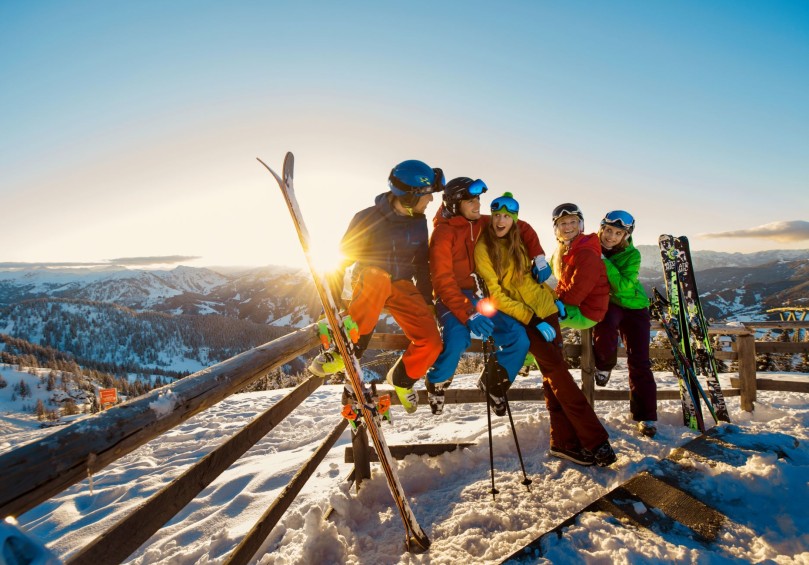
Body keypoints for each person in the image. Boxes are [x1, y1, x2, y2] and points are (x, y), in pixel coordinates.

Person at [475, 192, 617, 467]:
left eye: (508, 216)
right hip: (528, 318)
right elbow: (496, 295)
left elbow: (531, 249)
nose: (502, 221)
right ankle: (596, 440)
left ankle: (563, 443)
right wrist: (531, 320)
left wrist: (554, 299)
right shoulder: (484, 247)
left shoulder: (520, 235)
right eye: (497, 216)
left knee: (554, 379)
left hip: (547, 310)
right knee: (558, 374)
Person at [309, 159, 444, 414]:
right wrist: (332, 307)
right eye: (427, 195)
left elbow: (421, 264)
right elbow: (338, 263)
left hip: (402, 285)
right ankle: (346, 349)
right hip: (370, 280)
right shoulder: (366, 219)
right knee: (378, 277)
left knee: (432, 341)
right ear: (409, 195)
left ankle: (403, 379)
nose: (430, 201)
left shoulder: (418, 220)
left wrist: (427, 300)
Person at [425, 178, 551, 415]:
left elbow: (520, 226)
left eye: (478, 200)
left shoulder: (480, 222)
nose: (477, 205)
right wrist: (469, 314)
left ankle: (494, 382)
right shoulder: (443, 234)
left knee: (518, 337)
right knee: (457, 339)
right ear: (454, 204)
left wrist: (539, 256)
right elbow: (443, 281)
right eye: (471, 201)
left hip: (481, 295)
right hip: (452, 297)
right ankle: (437, 381)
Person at [593, 210, 658, 437]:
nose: (610, 236)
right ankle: (604, 365)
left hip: (635, 306)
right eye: (608, 230)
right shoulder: (590, 245)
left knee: (639, 361)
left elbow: (622, 286)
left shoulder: (633, 255)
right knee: (605, 324)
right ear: (601, 228)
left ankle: (646, 416)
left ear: (625, 236)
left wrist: (602, 262)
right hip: (609, 303)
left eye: (617, 233)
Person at [549, 203, 609, 330]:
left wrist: (554, 302)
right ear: (557, 228)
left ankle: (529, 350)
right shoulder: (569, 250)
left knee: (535, 324)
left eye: (573, 222)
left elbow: (577, 293)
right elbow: (563, 285)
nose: (568, 227)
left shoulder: (586, 252)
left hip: (586, 312)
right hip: (579, 307)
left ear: (580, 225)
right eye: (563, 223)